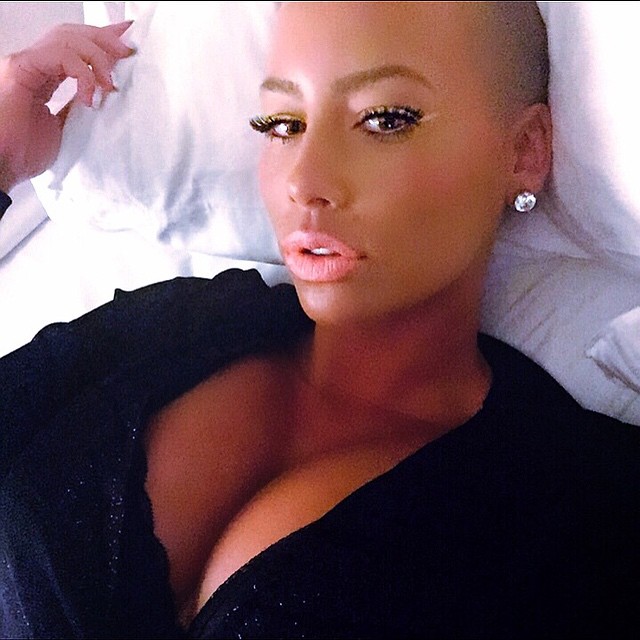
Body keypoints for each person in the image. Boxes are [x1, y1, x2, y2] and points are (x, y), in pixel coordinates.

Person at [0, 3, 638, 638]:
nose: (304, 181)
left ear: (524, 150)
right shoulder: (176, 325)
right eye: (283, 124)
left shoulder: (581, 498)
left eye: (384, 119)